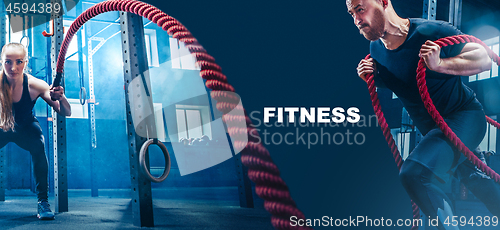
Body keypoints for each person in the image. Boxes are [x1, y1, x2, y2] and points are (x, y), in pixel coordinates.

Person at [346, 0, 500, 229]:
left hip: (465, 117)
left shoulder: (432, 31)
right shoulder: (376, 50)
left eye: (360, 8)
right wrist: (374, 76)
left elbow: (484, 59)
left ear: (382, 2)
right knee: (476, 180)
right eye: (351, 13)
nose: (356, 20)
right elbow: (403, 80)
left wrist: (440, 64)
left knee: (414, 174)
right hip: (435, 130)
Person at [0, 43, 71, 220]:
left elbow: (65, 112)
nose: (13, 67)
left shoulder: (35, 85)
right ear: (2, 62)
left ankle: (43, 202)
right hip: (2, 126)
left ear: (26, 62)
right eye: (8, 62)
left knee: (39, 145)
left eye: (18, 62)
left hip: (25, 128)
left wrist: (60, 97)